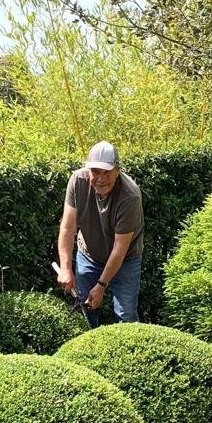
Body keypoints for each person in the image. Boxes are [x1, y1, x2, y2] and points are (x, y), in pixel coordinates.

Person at [57, 140, 144, 327]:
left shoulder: (130, 196)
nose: (101, 178)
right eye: (95, 171)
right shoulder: (77, 181)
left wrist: (101, 285)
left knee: (126, 315)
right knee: (85, 311)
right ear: (88, 170)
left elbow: (119, 249)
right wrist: (65, 268)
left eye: (106, 172)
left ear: (117, 170)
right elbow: (67, 228)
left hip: (125, 260)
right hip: (88, 255)